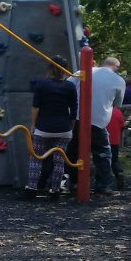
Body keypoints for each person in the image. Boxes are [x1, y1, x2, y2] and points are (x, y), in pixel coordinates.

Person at [70, 56, 126, 195]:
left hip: (77, 117)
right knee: (103, 153)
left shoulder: (83, 72)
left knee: (73, 150)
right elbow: (118, 104)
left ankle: (74, 181)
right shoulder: (119, 80)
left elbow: (68, 85)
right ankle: (103, 185)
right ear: (116, 68)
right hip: (98, 120)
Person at [24, 59, 76, 199]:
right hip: (64, 128)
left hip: (44, 127)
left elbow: (36, 106)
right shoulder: (70, 86)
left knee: (36, 157)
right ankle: (55, 190)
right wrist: (71, 127)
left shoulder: (42, 84)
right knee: (59, 160)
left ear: (49, 68)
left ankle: (32, 189)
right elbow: (74, 109)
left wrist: (33, 125)